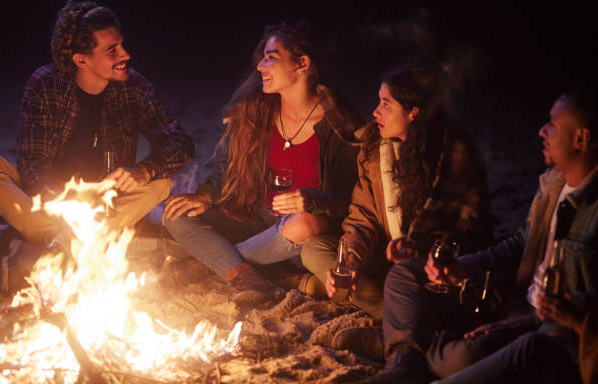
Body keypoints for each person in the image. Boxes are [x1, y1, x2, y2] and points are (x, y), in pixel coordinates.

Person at [371, 88, 597, 383]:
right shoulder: (554, 184)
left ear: (581, 139)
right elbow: (519, 246)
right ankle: (405, 358)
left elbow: (578, 311)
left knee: (454, 359)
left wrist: (524, 323)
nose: (542, 131)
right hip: (511, 299)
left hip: (546, 327)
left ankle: (410, 350)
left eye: (552, 125)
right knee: (404, 275)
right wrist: (464, 268)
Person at [0, 0, 193, 291]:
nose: (125, 55)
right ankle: (61, 238)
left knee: (162, 183)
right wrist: (67, 207)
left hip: (105, 205)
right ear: (81, 59)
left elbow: (179, 142)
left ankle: (42, 242)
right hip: (49, 203)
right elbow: (32, 162)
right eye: (112, 50)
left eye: (121, 45)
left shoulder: (134, 87)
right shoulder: (45, 85)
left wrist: (145, 170)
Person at [163, 23, 363, 302]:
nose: (261, 67)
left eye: (272, 57)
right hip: (252, 214)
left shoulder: (339, 126)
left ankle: (216, 265)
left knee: (305, 223)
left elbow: (349, 199)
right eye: (263, 57)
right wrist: (205, 195)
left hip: (297, 235)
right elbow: (226, 166)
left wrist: (311, 199)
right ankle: (250, 268)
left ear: (302, 63)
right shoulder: (257, 113)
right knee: (176, 213)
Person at [301, 65, 491, 320]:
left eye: (386, 104)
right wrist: (352, 262)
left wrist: (414, 251)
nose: (375, 112)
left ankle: (396, 314)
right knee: (315, 249)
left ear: (414, 112)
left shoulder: (453, 159)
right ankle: (391, 311)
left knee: (419, 285)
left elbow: (463, 237)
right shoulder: (375, 151)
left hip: (432, 270)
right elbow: (362, 217)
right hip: (385, 259)